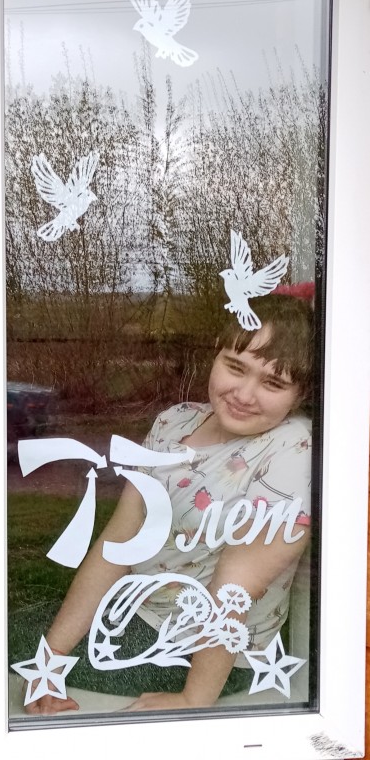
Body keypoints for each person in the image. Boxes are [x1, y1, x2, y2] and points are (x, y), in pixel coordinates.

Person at [24, 293, 313, 715]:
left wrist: (193, 699)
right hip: (129, 613)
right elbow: (118, 543)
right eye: (236, 367)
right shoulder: (175, 421)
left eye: (273, 383)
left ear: (299, 395)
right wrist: (50, 660)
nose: (244, 394)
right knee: (4, 634)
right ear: (215, 353)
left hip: (196, 654)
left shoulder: (293, 449)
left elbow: (236, 588)